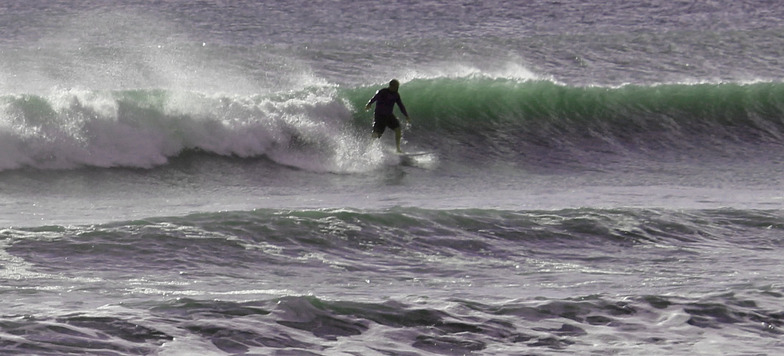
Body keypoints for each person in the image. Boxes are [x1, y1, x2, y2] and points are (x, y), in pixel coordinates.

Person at [365, 79, 411, 153]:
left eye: (398, 87)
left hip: (389, 115)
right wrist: (369, 104)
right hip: (379, 116)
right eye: (396, 87)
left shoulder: (396, 95)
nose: (397, 88)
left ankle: (398, 149)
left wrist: (406, 115)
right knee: (377, 133)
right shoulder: (383, 92)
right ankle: (369, 148)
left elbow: (401, 106)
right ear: (391, 86)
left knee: (398, 129)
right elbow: (375, 98)